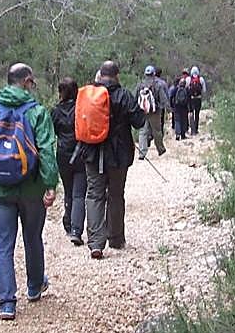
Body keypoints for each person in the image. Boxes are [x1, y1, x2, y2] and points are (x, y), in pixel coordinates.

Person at [0, 63, 58, 320]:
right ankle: (33, 287)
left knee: (3, 245)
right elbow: (46, 151)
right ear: (27, 81)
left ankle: (7, 303)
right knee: (33, 238)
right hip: (32, 189)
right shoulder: (38, 112)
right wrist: (50, 184)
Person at [74, 60, 145, 259]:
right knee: (115, 195)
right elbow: (139, 121)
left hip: (92, 153)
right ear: (117, 76)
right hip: (118, 155)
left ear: (99, 75)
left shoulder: (89, 95)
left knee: (94, 194)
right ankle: (115, 238)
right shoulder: (124, 96)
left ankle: (96, 243)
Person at [50, 77, 86, 246]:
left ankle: (68, 222)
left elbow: (54, 132)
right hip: (81, 153)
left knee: (68, 190)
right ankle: (76, 230)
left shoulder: (55, 111)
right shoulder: (82, 108)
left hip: (63, 153)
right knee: (79, 193)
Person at [135, 65, 171, 160]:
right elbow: (163, 98)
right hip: (155, 112)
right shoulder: (157, 85)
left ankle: (142, 153)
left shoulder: (140, 85)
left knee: (143, 131)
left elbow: (135, 98)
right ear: (153, 74)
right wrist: (168, 108)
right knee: (157, 131)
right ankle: (160, 149)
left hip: (143, 111)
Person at [187, 66, 208, 136]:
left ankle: (192, 130)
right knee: (197, 114)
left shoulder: (189, 79)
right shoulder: (201, 79)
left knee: (191, 113)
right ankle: (196, 129)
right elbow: (204, 90)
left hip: (191, 99)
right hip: (198, 98)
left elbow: (186, 88)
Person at [170, 71, 191, 140]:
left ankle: (177, 135)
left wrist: (171, 105)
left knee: (177, 121)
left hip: (176, 107)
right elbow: (189, 99)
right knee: (184, 121)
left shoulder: (175, 89)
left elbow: (171, 97)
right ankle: (183, 135)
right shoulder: (187, 90)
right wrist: (189, 108)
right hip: (184, 108)